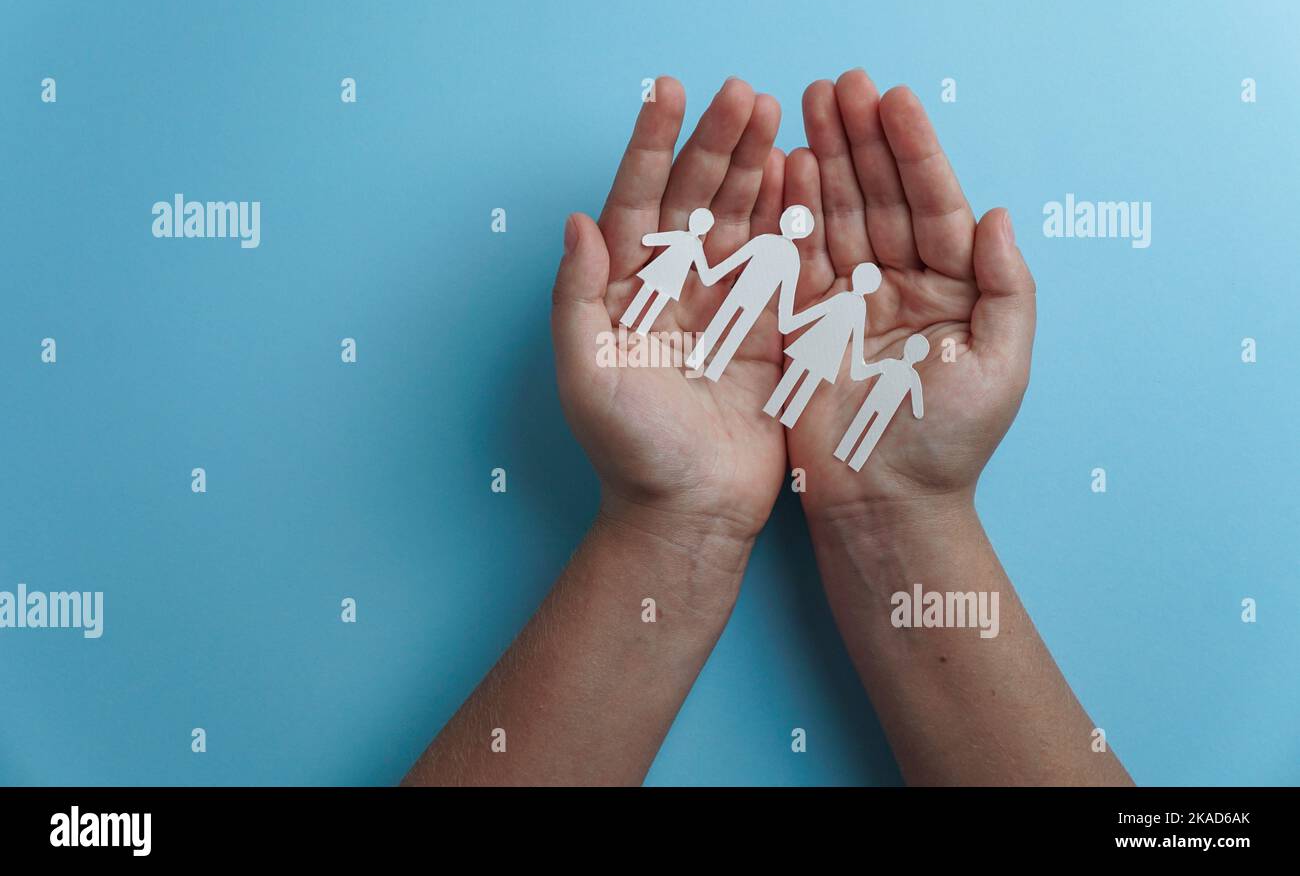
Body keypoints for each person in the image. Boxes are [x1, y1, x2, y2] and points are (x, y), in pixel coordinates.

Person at [403, 72, 1133, 787]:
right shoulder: (774, 259)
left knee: (759, 356)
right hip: (761, 328)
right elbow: (774, 282)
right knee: (724, 340)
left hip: (817, 354)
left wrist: (899, 504)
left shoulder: (825, 294)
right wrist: (680, 513)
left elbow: (796, 296)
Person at [684, 204, 813, 381]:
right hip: (751, 298)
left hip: (744, 293)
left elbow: (736, 260)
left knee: (723, 325)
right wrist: (785, 319)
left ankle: (700, 361)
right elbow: (787, 294)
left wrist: (713, 274)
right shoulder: (791, 256)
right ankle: (710, 367)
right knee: (733, 331)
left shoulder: (768, 242)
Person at [763, 261, 881, 428]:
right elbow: (821, 313)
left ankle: (778, 409)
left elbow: (821, 313)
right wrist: (792, 322)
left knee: (801, 377)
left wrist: (792, 322)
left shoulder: (851, 301)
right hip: (825, 345)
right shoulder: (855, 304)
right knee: (802, 378)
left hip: (823, 344)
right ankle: (779, 411)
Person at [836, 333, 928, 470]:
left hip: (873, 401)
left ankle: (843, 452)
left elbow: (862, 373)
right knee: (872, 434)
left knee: (858, 426)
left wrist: (858, 356)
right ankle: (855, 461)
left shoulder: (890, 364)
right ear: (921, 357)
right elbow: (918, 411)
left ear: (906, 347)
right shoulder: (913, 377)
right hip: (887, 409)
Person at [618, 207, 714, 337]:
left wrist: (648, 239)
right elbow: (660, 238)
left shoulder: (695, 245)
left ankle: (641, 328)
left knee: (658, 298)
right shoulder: (683, 236)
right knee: (647, 290)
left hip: (672, 275)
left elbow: (702, 267)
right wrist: (648, 239)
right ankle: (629, 319)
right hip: (664, 269)